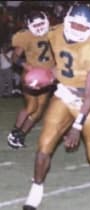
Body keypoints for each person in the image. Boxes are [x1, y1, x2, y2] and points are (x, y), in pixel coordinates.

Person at [22, 4, 90, 210]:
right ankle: (36, 189)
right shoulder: (55, 33)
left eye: (83, 28)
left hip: (87, 99)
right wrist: (46, 76)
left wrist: (77, 127)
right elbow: (61, 65)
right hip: (63, 94)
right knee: (44, 144)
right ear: (67, 20)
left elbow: (89, 94)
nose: (77, 31)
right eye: (74, 25)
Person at [7, 11, 55, 149]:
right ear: (29, 25)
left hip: (47, 76)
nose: (39, 27)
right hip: (31, 74)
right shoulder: (25, 36)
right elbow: (15, 57)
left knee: (39, 111)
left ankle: (20, 135)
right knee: (31, 107)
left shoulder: (55, 33)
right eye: (36, 25)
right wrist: (25, 65)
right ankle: (14, 131)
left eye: (41, 23)